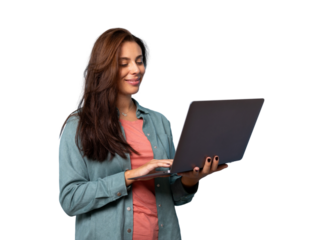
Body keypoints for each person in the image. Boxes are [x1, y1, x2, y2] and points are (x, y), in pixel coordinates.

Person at [58, 26, 229, 240]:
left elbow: (174, 197)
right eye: (124, 64)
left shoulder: (160, 121)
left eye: (139, 61)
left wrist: (192, 178)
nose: (136, 69)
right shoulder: (78, 125)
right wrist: (131, 176)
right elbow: (70, 201)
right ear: (103, 68)